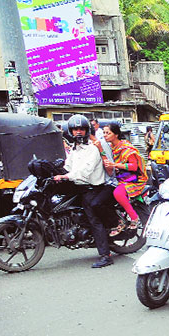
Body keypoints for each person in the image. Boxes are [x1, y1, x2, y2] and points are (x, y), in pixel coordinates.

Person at [53, 115, 114, 268]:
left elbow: (84, 171)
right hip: (79, 187)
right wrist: (55, 172)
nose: (78, 132)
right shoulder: (74, 149)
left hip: (93, 188)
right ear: (70, 131)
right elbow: (68, 166)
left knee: (94, 219)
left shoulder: (93, 149)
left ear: (87, 131)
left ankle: (106, 256)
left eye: (81, 129)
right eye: (75, 129)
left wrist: (66, 176)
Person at [102, 122, 147, 236]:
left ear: (116, 134)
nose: (105, 135)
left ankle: (134, 218)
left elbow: (134, 166)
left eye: (108, 133)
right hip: (119, 179)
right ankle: (119, 220)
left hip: (132, 180)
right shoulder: (110, 148)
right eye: (104, 133)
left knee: (118, 193)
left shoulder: (126, 148)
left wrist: (115, 165)